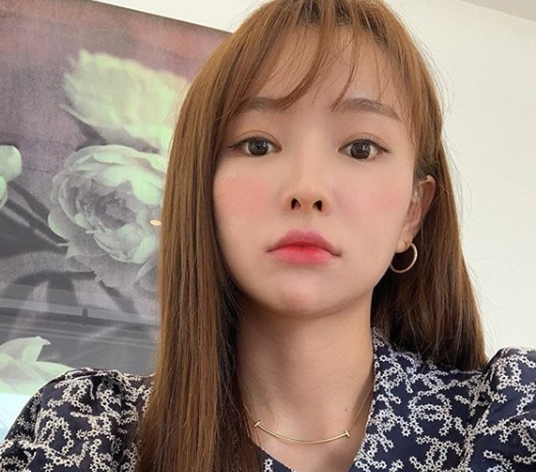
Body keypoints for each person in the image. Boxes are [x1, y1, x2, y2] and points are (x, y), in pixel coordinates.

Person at [1, 0, 536, 471]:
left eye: (361, 148)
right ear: (201, 189)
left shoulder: (512, 419)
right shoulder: (82, 432)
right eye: (258, 145)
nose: (307, 189)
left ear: (412, 213)